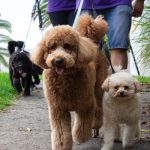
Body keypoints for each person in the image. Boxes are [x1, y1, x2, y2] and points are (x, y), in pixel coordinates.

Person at [76, 0, 145, 69]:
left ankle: (119, 78)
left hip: (119, 2)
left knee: (119, 43)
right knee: (86, 48)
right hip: (86, 3)